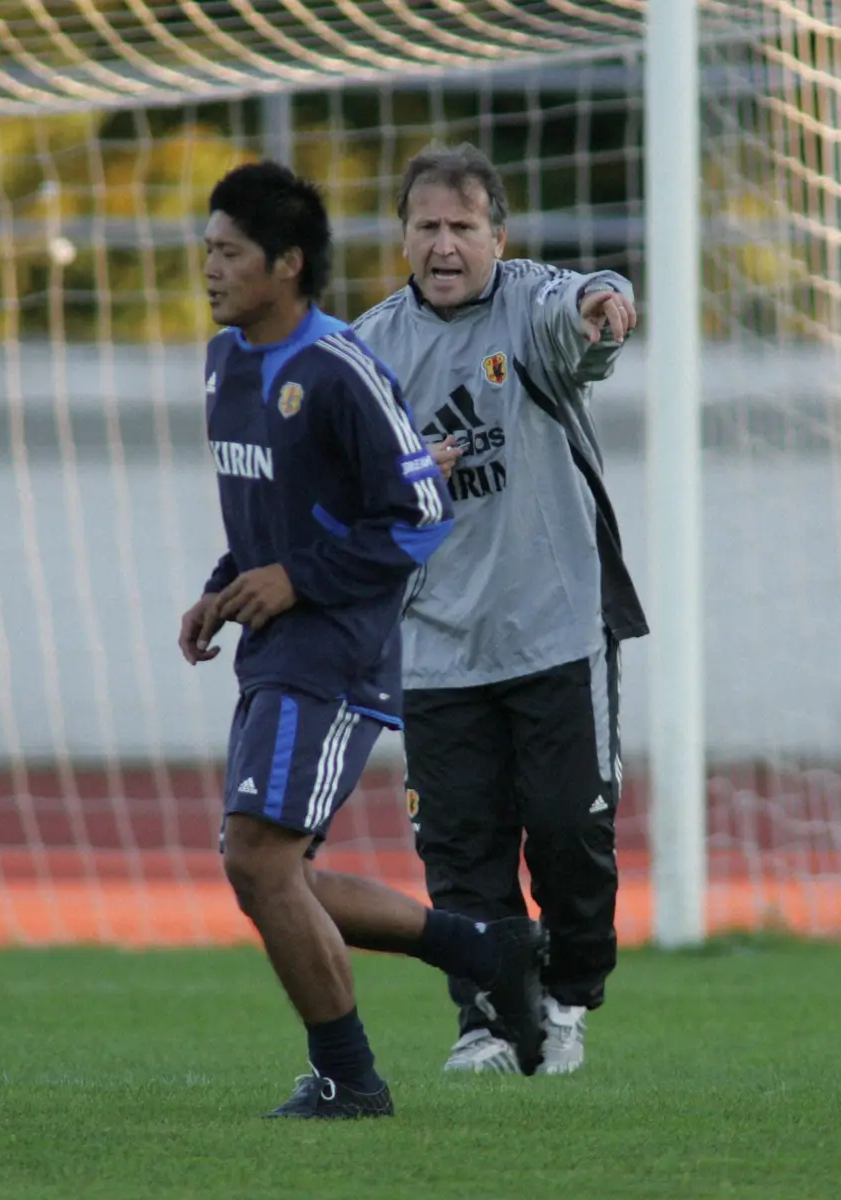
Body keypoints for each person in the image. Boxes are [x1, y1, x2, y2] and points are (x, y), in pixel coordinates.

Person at [178, 160, 548, 1120]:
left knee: (257, 863)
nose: (207, 267)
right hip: (277, 649)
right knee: (275, 871)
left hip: (337, 655)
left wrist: (294, 580)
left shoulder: (338, 366)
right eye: (206, 248)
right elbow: (277, 511)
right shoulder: (225, 361)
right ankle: (480, 946)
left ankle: (351, 1078)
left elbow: (419, 512)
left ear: (287, 265)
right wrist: (224, 586)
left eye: (228, 252)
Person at [353, 143, 648, 1077]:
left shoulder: (526, 302)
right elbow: (342, 489)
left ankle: (566, 996)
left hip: (555, 629)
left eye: (462, 227)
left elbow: (585, 301)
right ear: (402, 236)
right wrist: (401, 479)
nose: (444, 245)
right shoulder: (367, 350)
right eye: (426, 227)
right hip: (435, 646)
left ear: (497, 236)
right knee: (460, 849)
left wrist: (606, 309)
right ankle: (484, 1018)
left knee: (567, 832)